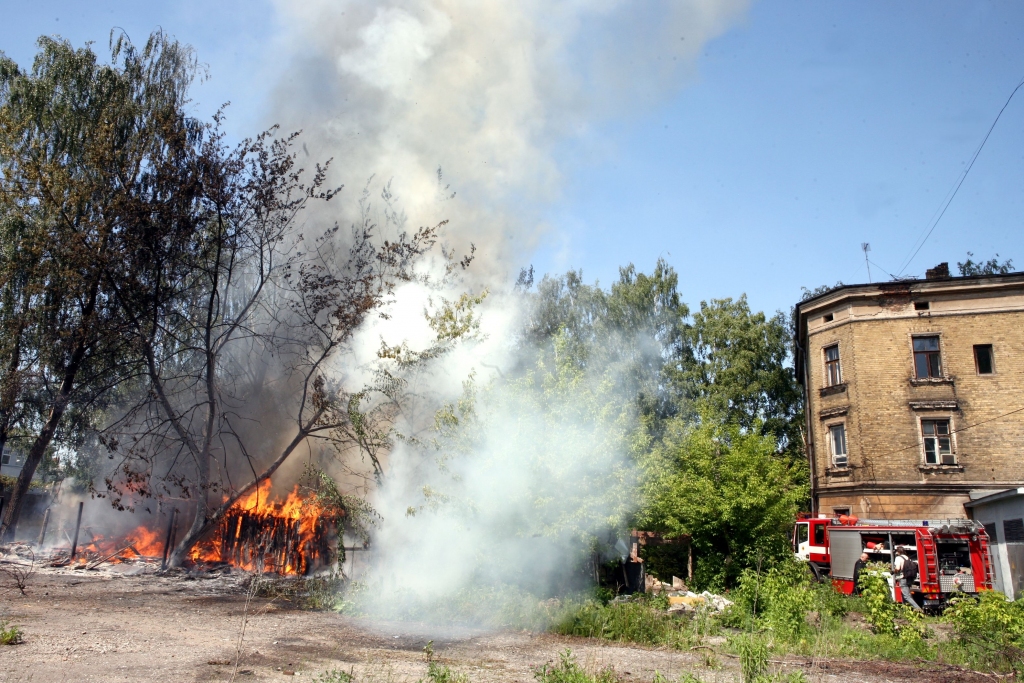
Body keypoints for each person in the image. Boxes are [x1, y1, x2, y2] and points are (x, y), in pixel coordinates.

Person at [893, 546, 922, 612]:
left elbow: (897, 568)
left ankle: (919, 609)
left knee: (906, 596)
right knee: (905, 594)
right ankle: (905, 611)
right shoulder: (907, 557)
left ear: (898, 552)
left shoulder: (898, 558)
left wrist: (893, 571)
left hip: (903, 578)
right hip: (909, 578)